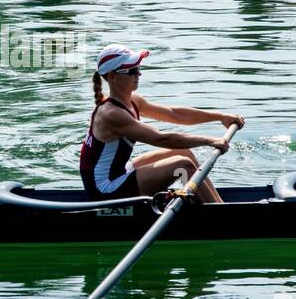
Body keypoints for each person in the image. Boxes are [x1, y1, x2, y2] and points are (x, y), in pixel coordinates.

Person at [79, 44, 244, 199]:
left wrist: (221, 117)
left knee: (184, 152)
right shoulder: (111, 114)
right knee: (183, 165)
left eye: (138, 68)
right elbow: (160, 139)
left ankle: (217, 204)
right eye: (132, 70)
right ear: (113, 76)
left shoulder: (133, 101)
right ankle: (219, 216)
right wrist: (209, 140)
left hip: (120, 171)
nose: (139, 74)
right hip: (104, 188)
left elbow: (175, 114)